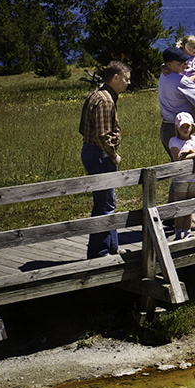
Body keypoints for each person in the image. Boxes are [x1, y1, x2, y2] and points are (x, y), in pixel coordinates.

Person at [79, 61, 130, 259]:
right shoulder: (106, 100)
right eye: (126, 79)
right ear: (115, 78)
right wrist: (113, 154)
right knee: (105, 205)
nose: (129, 82)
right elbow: (101, 136)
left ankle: (111, 247)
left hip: (91, 152)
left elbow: (83, 128)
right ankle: (99, 252)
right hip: (99, 156)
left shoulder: (96, 94)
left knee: (107, 202)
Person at [159, 46, 195, 159]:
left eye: (184, 62)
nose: (184, 65)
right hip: (182, 128)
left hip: (167, 126)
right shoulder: (181, 81)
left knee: (177, 165)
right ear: (169, 65)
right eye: (180, 63)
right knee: (189, 165)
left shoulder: (164, 75)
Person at [168, 111, 195, 241]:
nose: (185, 129)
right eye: (182, 127)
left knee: (190, 206)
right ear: (177, 128)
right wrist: (194, 154)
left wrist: (189, 152)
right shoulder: (173, 141)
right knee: (180, 207)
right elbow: (177, 159)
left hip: (194, 177)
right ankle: (178, 232)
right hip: (180, 179)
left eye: (188, 126)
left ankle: (187, 231)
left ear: (192, 126)